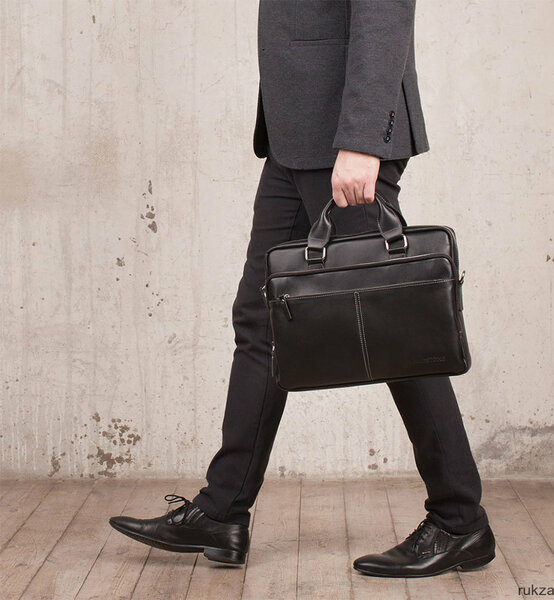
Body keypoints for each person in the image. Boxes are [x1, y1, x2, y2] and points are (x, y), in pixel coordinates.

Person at [109, 0, 496, 578]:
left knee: (398, 326)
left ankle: (460, 520)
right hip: (296, 135)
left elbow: (383, 15)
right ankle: (221, 510)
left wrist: (362, 140)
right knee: (261, 319)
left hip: (343, 139)